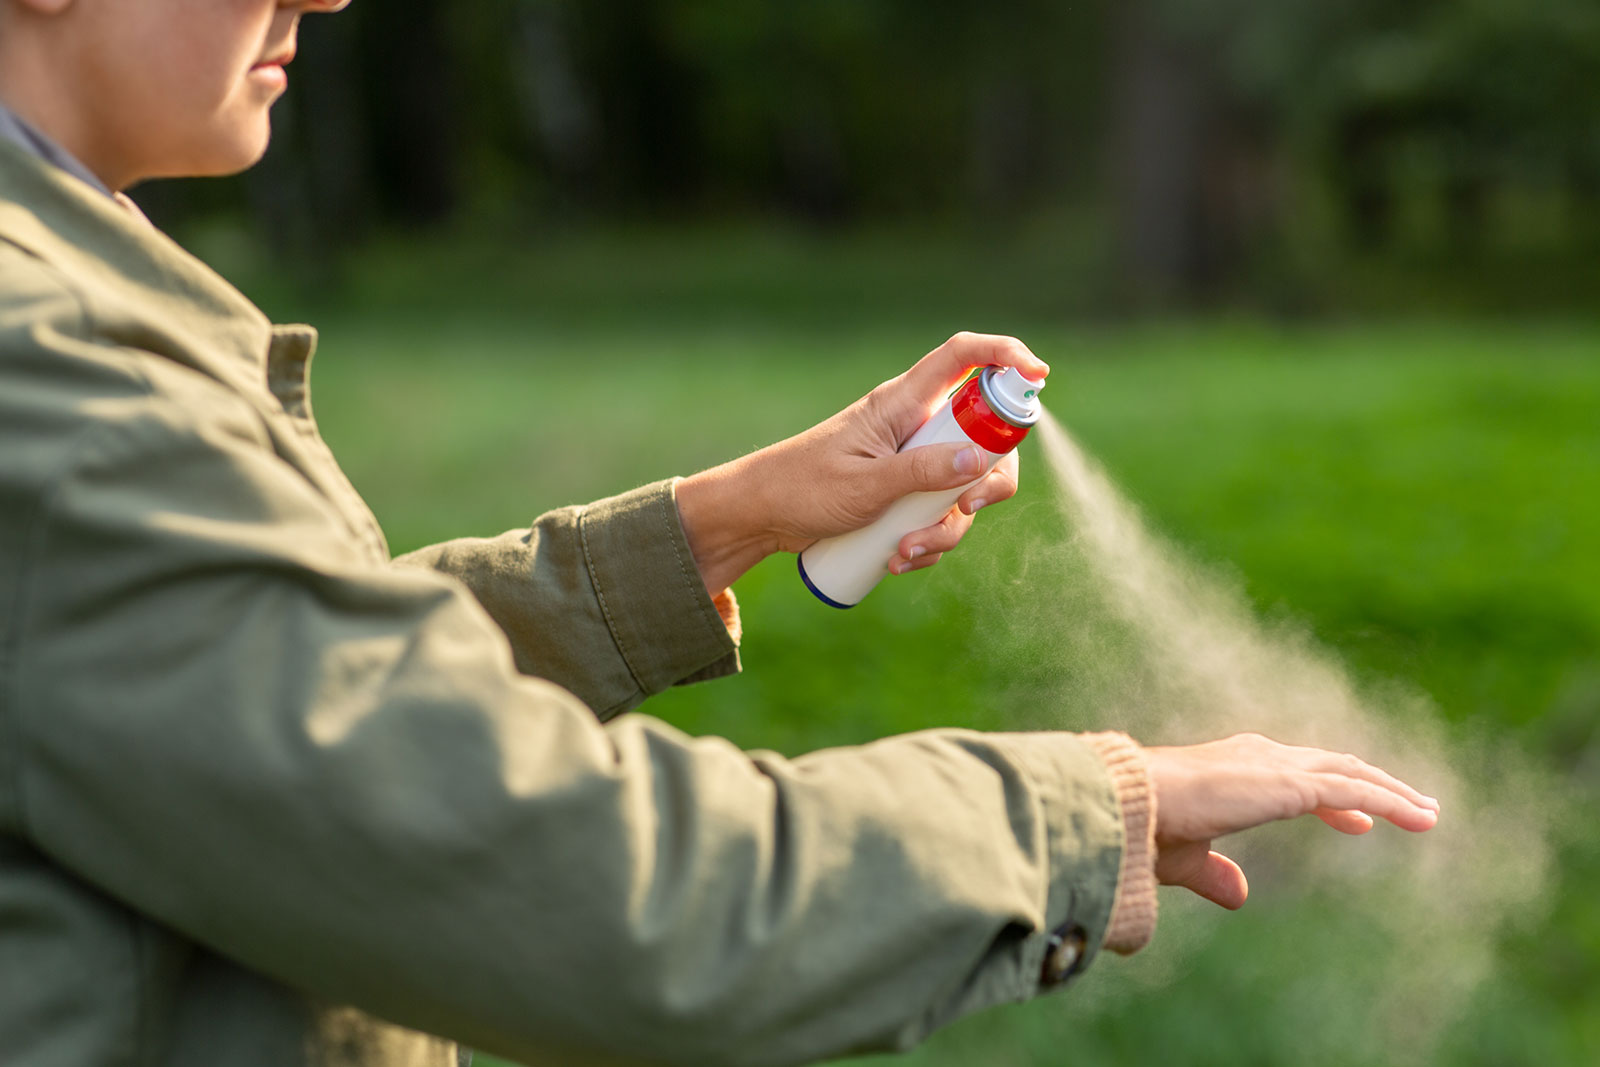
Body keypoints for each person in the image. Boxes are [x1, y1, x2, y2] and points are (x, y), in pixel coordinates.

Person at [0, 2, 1440, 1066]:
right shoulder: (51, 368)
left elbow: (274, 705)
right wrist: (1081, 814)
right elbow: (553, 880)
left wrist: (733, 520)